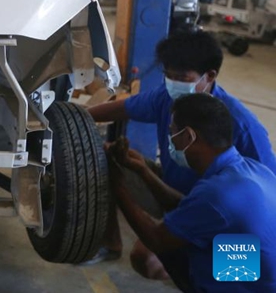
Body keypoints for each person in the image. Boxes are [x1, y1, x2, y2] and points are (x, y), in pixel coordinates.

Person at [85, 30, 276, 271]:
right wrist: (73, 118)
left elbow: (157, 238)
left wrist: (120, 186)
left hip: (226, 229)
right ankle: (113, 243)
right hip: (185, 199)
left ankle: (215, 274)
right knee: (110, 159)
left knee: (152, 258)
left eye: (182, 77)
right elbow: (123, 108)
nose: (173, 83)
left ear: (210, 76)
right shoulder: (167, 99)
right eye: (168, 75)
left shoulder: (244, 129)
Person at [107, 94, 276, 292]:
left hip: (255, 282)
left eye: (172, 133)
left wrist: (117, 185)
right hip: (259, 268)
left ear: (188, 136)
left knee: (173, 249)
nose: (170, 141)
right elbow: (189, 206)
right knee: (194, 239)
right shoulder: (251, 169)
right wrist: (143, 170)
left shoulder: (217, 193)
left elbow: (156, 239)